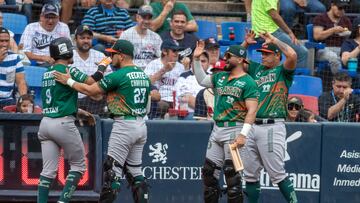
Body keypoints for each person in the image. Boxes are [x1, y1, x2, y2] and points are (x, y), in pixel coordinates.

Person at [53, 39, 151, 203]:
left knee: (112, 172)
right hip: (141, 125)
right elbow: (147, 106)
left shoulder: (119, 75)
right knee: (136, 172)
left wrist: (68, 81)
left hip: (124, 125)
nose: (111, 57)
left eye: (113, 54)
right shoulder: (143, 75)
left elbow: (90, 90)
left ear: (121, 55)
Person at [37, 37, 104, 203]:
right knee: (79, 166)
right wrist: (103, 66)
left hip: (45, 124)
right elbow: (91, 82)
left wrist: (79, 111)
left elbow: (59, 100)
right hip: (63, 124)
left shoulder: (46, 73)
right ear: (67, 51)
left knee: (48, 172)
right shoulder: (69, 71)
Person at [193, 41, 259, 203]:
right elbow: (202, 80)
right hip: (217, 129)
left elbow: (252, 110)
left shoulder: (248, 82)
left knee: (233, 177)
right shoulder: (220, 76)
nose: (226, 59)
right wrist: (195, 59)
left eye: (229, 56)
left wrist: (244, 135)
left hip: (235, 130)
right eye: (226, 55)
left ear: (240, 59)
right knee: (209, 174)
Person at [241, 32, 299, 203]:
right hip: (251, 126)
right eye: (261, 53)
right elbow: (232, 60)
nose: (263, 57)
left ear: (277, 56)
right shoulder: (256, 69)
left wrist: (274, 40)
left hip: (272, 125)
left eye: (267, 54)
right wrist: (245, 44)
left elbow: (293, 55)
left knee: (277, 173)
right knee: (250, 174)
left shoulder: (283, 71)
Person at [244, 0, 308, 68]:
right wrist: (289, 32)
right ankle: (295, 78)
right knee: (302, 53)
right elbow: (274, 15)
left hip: (263, 32)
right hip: (269, 33)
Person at [72, 24, 112, 115]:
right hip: (76, 101)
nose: (86, 41)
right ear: (75, 40)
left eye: (89, 38)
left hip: (97, 101)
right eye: (82, 38)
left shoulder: (100, 56)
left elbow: (109, 80)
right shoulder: (70, 57)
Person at [144, 39, 185, 119]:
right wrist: (163, 70)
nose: (177, 53)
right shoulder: (153, 64)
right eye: (174, 51)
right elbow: (146, 83)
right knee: (161, 106)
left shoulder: (181, 67)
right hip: (161, 100)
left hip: (177, 101)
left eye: (178, 51)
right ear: (164, 51)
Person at [313, 0, 352, 74]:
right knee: (333, 57)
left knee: (352, 57)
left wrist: (348, 34)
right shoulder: (321, 18)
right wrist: (333, 30)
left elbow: (352, 37)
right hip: (324, 49)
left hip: (341, 49)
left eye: (344, 8)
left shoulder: (345, 20)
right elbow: (317, 36)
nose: (342, 11)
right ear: (332, 5)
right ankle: (339, 80)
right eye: (340, 8)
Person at [120, 5, 162, 70]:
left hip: (150, 72)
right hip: (131, 71)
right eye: (144, 18)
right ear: (137, 17)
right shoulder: (126, 35)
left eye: (149, 18)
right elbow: (120, 58)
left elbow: (160, 57)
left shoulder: (156, 37)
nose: (146, 21)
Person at [174, 50, 209, 120]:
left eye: (203, 61)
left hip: (208, 115)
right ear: (191, 63)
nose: (200, 64)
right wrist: (208, 109)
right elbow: (188, 100)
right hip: (189, 115)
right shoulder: (184, 77)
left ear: (208, 64)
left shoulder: (212, 78)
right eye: (197, 61)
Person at [0, 27, 27, 108]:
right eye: (1, 41)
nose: (4, 44)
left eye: (7, 41)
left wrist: (24, 100)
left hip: (7, 101)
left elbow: (21, 82)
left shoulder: (15, 58)